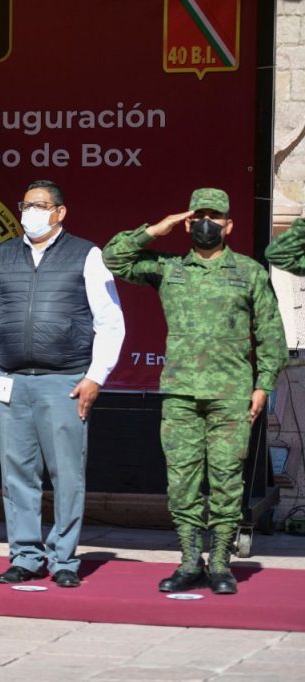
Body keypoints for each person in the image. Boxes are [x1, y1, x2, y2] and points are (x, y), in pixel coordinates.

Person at [103, 188, 287, 595]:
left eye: (215, 217)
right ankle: (189, 561)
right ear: (187, 223)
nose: (207, 224)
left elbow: (271, 336)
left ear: (229, 225)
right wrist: (156, 229)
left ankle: (220, 563)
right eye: (198, 216)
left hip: (231, 395)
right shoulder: (169, 268)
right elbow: (114, 258)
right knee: (182, 480)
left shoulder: (249, 272)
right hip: (181, 394)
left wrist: (263, 386)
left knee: (225, 479)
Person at [0, 179, 125, 589]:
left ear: (60, 212)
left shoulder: (86, 254)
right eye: (26, 205)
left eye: (40, 205)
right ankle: (24, 555)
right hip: (12, 381)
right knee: (17, 473)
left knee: (67, 474)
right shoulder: (2, 255)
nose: (30, 212)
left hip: (65, 382)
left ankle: (64, 559)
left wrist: (96, 376)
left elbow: (110, 320)